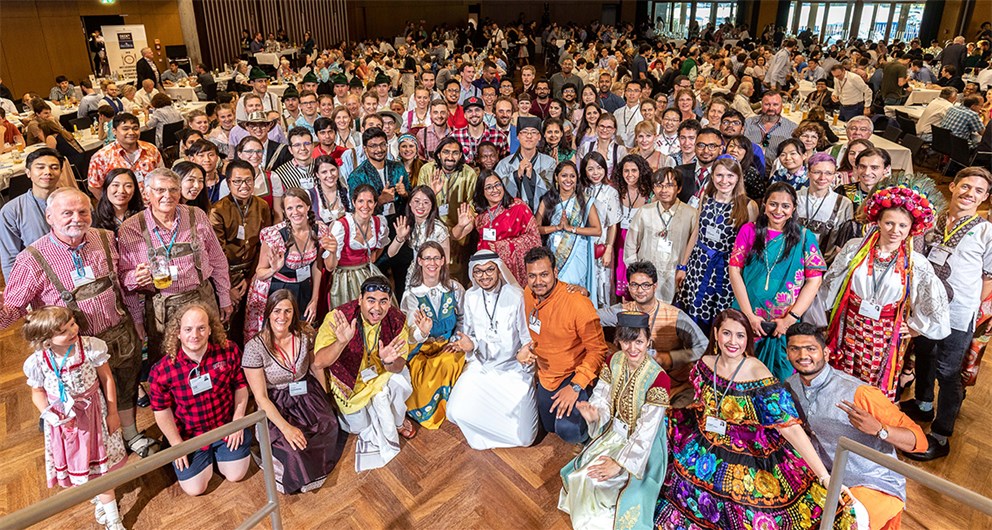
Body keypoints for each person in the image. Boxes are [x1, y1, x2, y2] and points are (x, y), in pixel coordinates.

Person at [655, 309, 856, 529]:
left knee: (750, 510)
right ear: (716, 333)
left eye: (740, 335)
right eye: (727, 334)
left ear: (748, 339)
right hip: (705, 439)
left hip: (748, 451)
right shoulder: (705, 363)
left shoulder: (756, 371)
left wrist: (823, 476)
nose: (733, 342)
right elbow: (702, 403)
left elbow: (789, 427)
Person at [1, 187, 156, 458]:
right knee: (86, 404)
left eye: (83, 211)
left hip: (120, 334)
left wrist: (137, 286)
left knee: (126, 386)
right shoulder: (32, 259)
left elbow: (123, 282)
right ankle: (99, 453)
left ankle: (130, 433)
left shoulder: (106, 239)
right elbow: (13, 307)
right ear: (49, 216)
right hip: (72, 349)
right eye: (67, 213)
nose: (77, 218)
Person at [785, 322, 928, 530]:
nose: (803, 355)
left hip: (873, 483)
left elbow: (920, 441)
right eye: (795, 349)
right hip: (825, 478)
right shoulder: (790, 386)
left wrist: (880, 429)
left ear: (826, 352)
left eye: (810, 349)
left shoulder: (859, 392)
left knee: (843, 524)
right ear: (787, 353)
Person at [821, 174, 951, 401]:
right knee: (841, 376)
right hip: (849, 324)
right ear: (878, 221)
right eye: (889, 223)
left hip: (885, 333)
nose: (895, 230)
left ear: (911, 228)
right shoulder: (855, 248)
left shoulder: (915, 262)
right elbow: (832, 283)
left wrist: (915, 328)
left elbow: (932, 300)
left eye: (903, 225)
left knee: (873, 384)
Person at [901, 166, 992, 461]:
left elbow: (988, 276)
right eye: (966, 186)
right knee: (924, 355)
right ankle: (924, 404)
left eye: (979, 191)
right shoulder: (932, 220)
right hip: (926, 307)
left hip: (958, 312)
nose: (970, 194)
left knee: (949, 372)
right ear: (952, 187)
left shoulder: (986, 232)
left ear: (985, 198)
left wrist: (974, 310)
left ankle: (941, 435)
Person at [558, 311, 670, 530]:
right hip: (613, 435)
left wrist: (619, 464)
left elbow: (646, 433)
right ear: (618, 341)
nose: (632, 349)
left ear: (648, 340)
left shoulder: (659, 378)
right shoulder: (614, 360)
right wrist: (596, 413)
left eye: (638, 341)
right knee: (583, 475)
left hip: (641, 450)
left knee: (595, 480)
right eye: (626, 341)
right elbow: (603, 396)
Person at [22, 307, 127, 530]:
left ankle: (113, 519)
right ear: (46, 340)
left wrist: (113, 411)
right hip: (66, 424)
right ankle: (100, 497)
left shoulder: (90, 347)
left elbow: (107, 379)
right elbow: (37, 392)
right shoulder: (39, 361)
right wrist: (49, 414)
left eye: (72, 324)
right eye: (64, 330)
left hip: (94, 416)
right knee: (85, 464)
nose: (73, 330)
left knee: (102, 472)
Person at [118, 168, 232, 362]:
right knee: (169, 364)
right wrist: (135, 282)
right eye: (160, 190)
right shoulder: (130, 228)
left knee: (210, 355)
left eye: (173, 190)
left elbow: (218, 260)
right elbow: (124, 278)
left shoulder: (196, 216)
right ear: (147, 194)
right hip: (162, 305)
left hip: (202, 297)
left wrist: (225, 297)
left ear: (180, 193)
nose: (167, 196)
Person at [313, 276, 417, 471]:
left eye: (383, 301)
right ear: (360, 299)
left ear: (389, 302)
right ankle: (368, 413)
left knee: (398, 380)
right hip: (351, 384)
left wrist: (389, 361)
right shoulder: (339, 318)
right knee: (357, 428)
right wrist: (341, 342)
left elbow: (399, 364)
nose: (377, 308)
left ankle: (397, 421)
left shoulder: (396, 320)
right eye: (371, 300)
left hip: (380, 376)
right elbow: (318, 362)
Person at [242, 290, 341, 494]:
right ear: (268, 313)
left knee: (329, 424)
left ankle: (316, 468)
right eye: (277, 311)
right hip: (276, 402)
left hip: (306, 393)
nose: (282, 317)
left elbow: (315, 367)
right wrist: (286, 428)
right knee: (293, 447)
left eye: (288, 311)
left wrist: (324, 397)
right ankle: (296, 475)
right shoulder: (254, 348)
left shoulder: (305, 334)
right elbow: (260, 397)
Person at [149, 303, 251, 496]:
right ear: (177, 333)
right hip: (190, 437)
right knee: (195, 489)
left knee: (236, 474)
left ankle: (219, 455)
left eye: (201, 328)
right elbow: (161, 411)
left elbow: (241, 386)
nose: (194, 335)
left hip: (225, 427)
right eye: (188, 329)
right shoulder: (162, 370)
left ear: (210, 329)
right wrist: (177, 444)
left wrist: (238, 421)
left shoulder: (229, 351)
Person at [729, 182, 826, 381]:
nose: (778, 210)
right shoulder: (750, 231)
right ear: (764, 205)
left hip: (784, 324)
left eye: (785, 206)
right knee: (740, 370)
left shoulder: (805, 237)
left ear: (793, 210)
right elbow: (734, 271)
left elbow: (814, 281)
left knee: (781, 378)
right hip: (747, 317)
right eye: (773, 204)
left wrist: (790, 318)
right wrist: (749, 315)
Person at [447, 250, 539, 449]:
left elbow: (526, 337)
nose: (484, 276)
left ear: (499, 270)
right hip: (483, 367)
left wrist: (524, 352)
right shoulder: (471, 297)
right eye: (478, 272)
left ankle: (492, 417)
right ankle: (493, 415)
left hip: (513, 370)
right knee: (453, 412)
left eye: (489, 269)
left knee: (524, 438)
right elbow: (469, 332)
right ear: (473, 274)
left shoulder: (516, 296)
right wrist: (469, 345)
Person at [517, 246, 609, 445]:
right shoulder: (527, 294)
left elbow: (598, 350)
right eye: (532, 276)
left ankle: (594, 428)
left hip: (573, 374)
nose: (538, 281)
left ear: (555, 273)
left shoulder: (577, 303)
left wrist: (576, 386)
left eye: (544, 274)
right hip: (546, 375)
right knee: (549, 426)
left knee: (568, 430)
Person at [597, 261, 708, 406]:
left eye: (646, 285)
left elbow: (704, 346)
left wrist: (670, 358)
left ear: (655, 286)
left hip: (674, 386)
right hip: (636, 386)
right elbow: (588, 317)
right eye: (634, 285)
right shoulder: (622, 312)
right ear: (629, 287)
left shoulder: (675, 316)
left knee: (679, 416)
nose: (640, 290)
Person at [674, 157, 758, 335]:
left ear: (737, 178)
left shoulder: (748, 205)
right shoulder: (706, 197)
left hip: (726, 268)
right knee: (693, 306)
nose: (724, 181)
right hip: (700, 262)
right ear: (712, 176)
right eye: (719, 175)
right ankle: (692, 349)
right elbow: (696, 232)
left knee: (720, 312)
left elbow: (750, 246)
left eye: (730, 176)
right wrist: (683, 265)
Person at [400, 242, 466, 428]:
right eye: (427, 258)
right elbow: (409, 334)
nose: (432, 262)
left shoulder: (455, 289)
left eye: (436, 258)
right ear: (419, 261)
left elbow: (463, 318)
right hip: (422, 348)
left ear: (443, 260)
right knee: (422, 380)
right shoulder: (411, 295)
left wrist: (455, 340)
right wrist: (422, 331)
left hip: (449, 344)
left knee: (450, 361)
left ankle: (451, 409)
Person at [208, 160, 274, 343]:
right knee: (227, 327)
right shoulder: (217, 211)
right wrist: (227, 287)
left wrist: (250, 278)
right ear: (228, 183)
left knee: (254, 324)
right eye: (237, 181)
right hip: (226, 275)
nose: (244, 186)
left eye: (248, 180)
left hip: (253, 272)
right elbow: (216, 253)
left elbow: (264, 244)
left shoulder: (261, 206)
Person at [244, 188, 323, 340]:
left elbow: (317, 266)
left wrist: (314, 299)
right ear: (285, 212)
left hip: (304, 287)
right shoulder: (275, 235)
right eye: (290, 208)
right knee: (274, 335)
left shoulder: (318, 230)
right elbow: (260, 272)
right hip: (276, 288)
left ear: (308, 206)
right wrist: (273, 269)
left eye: (299, 206)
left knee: (300, 334)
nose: (295, 212)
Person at [452, 170, 541, 286]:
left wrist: (504, 246)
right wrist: (460, 225)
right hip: (486, 271)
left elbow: (535, 239)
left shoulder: (518, 206)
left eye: (497, 184)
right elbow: (456, 236)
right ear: (482, 192)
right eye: (489, 187)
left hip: (513, 271)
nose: (495, 190)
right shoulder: (479, 214)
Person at [625, 168, 697, 304]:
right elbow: (630, 245)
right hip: (647, 280)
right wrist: (638, 275)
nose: (663, 190)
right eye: (659, 185)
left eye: (669, 185)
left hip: (676, 277)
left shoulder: (691, 214)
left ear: (679, 188)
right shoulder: (645, 212)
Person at [416, 136, 478, 282]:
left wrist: (464, 225)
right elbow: (418, 203)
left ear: (461, 155)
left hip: (459, 233)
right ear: (439, 154)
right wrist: (431, 193)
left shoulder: (468, 174)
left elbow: (472, 205)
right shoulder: (427, 170)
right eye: (446, 152)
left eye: (455, 153)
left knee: (456, 277)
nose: (450, 157)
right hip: (432, 230)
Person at [325, 184, 390, 310]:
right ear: (354, 202)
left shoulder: (378, 222)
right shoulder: (341, 226)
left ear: (375, 204)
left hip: (368, 272)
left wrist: (372, 258)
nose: (365, 206)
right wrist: (332, 252)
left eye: (370, 201)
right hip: (344, 277)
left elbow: (381, 245)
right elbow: (329, 266)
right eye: (361, 201)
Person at [0, 148, 62, 278]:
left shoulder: (75, 202)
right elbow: (10, 257)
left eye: (54, 167)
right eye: (40, 167)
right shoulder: (12, 210)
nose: (47, 172)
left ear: (61, 172)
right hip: (37, 278)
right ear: (28, 172)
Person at [87, 113, 164, 199]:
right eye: (125, 129)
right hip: (122, 208)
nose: (131, 132)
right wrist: (111, 206)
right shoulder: (101, 157)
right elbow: (94, 186)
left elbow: (162, 175)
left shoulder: (151, 149)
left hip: (152, 204)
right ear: (114, 131)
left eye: (135, 128)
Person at [797, 153, 854, 264]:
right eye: (817, 172)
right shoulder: (795, 197)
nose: (822, 178)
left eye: (828, 173)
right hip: (793, 260)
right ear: (808, 173)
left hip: (825, 264)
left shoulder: (844, 204)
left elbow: (844, 241)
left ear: (834, 175)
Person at [498, 116, 557, 214]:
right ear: (518, 136)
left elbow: (552, 192)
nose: (529, 136)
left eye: (534, 132)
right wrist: (516, 175)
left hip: (541, 216)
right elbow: (498, 192)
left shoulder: (550, 163)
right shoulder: (505, 164)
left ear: (539, 137)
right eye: (524, 132)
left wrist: (533, 177)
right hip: (511, 216)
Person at [92, 168, 143, 234]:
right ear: (106, 188)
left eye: (128, 186)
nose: (121, 191)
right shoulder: (93, 219)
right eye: (115, 185)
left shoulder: (144, 215)